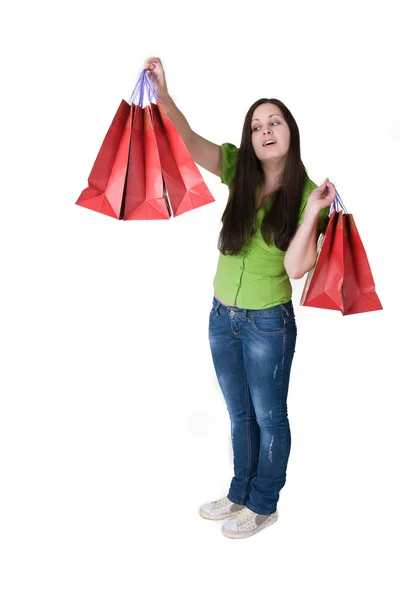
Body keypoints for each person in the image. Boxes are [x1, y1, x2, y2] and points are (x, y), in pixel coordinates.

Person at [143, 57, 336, 539]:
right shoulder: (238, 170)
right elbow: (187, 141)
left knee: (270, 417)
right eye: (256, 125)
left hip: (268, 322)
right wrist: (165, 94)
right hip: (220, 317)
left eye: (274, 122)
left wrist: (313, 213)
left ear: (291, 131)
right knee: (239, 414)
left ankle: (264, 503)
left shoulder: (310, 195)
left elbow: (296, 268)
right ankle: (239, 493)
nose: (265, 130)